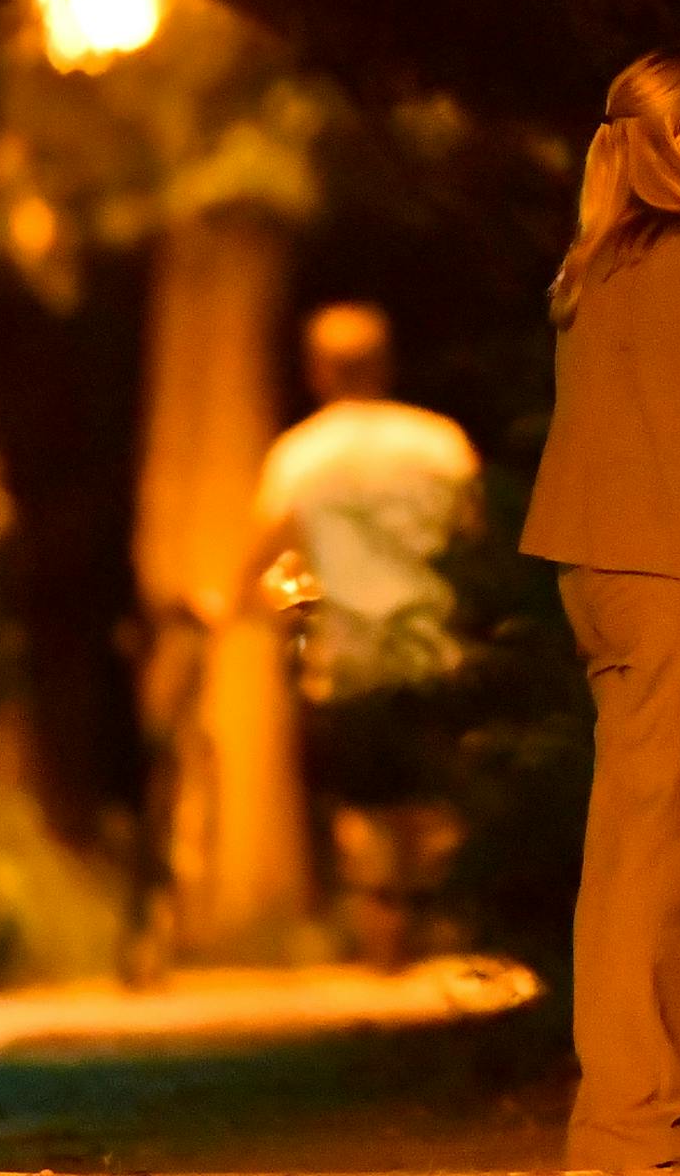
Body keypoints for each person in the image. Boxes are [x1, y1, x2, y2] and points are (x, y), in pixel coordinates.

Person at [519, 52, 680, 1172]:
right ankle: (650, 1125)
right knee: (672, 858)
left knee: (627, 852)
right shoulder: (676, 262)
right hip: (675, 582)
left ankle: (619, 1120)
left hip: (603, 574)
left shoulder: (602, 263)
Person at [250, 301, 480, 965]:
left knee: (363, 816)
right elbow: (474, 537)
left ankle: (385, 956)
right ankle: (448, 949)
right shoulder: (441, 443)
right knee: (436, 807)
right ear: (386, 363)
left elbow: (269, 554)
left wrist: (267, 607)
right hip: (437, 649)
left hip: (347, 658)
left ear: (316, 371)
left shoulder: (298, 457)